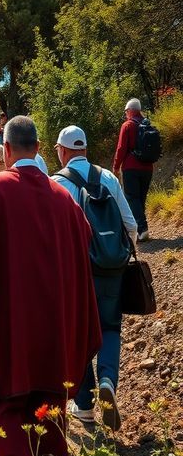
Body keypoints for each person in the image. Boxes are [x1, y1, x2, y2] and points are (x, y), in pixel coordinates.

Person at [0, 116, 101, 456]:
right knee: (50, 417)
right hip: (55, 325)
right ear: (38, 148)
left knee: (7, 409)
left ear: (6, 149)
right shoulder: (63, 198)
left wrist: (1, 271)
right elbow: (83, 248)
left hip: (10, 319)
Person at [52, 125, 137, 431]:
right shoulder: (109, 178)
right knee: (110, 325)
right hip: (111, 269)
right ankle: (108, 379)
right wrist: (120, 257)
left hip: (77, 271)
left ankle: (85, 406)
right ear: (85, 149)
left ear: (62, 151)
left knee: (80, 332)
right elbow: (130, 224)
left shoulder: (57, 184)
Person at [113, 98, 154, 241]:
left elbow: (121, 148)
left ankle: (142, 229)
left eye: (126, 111)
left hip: (131, 167)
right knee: (141, 198)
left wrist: (116, 167)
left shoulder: (128, 125)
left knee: (131, 198)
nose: (125, 114)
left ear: (130, 111)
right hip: (148, 167)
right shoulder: (148, 124)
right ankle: (141, 228)